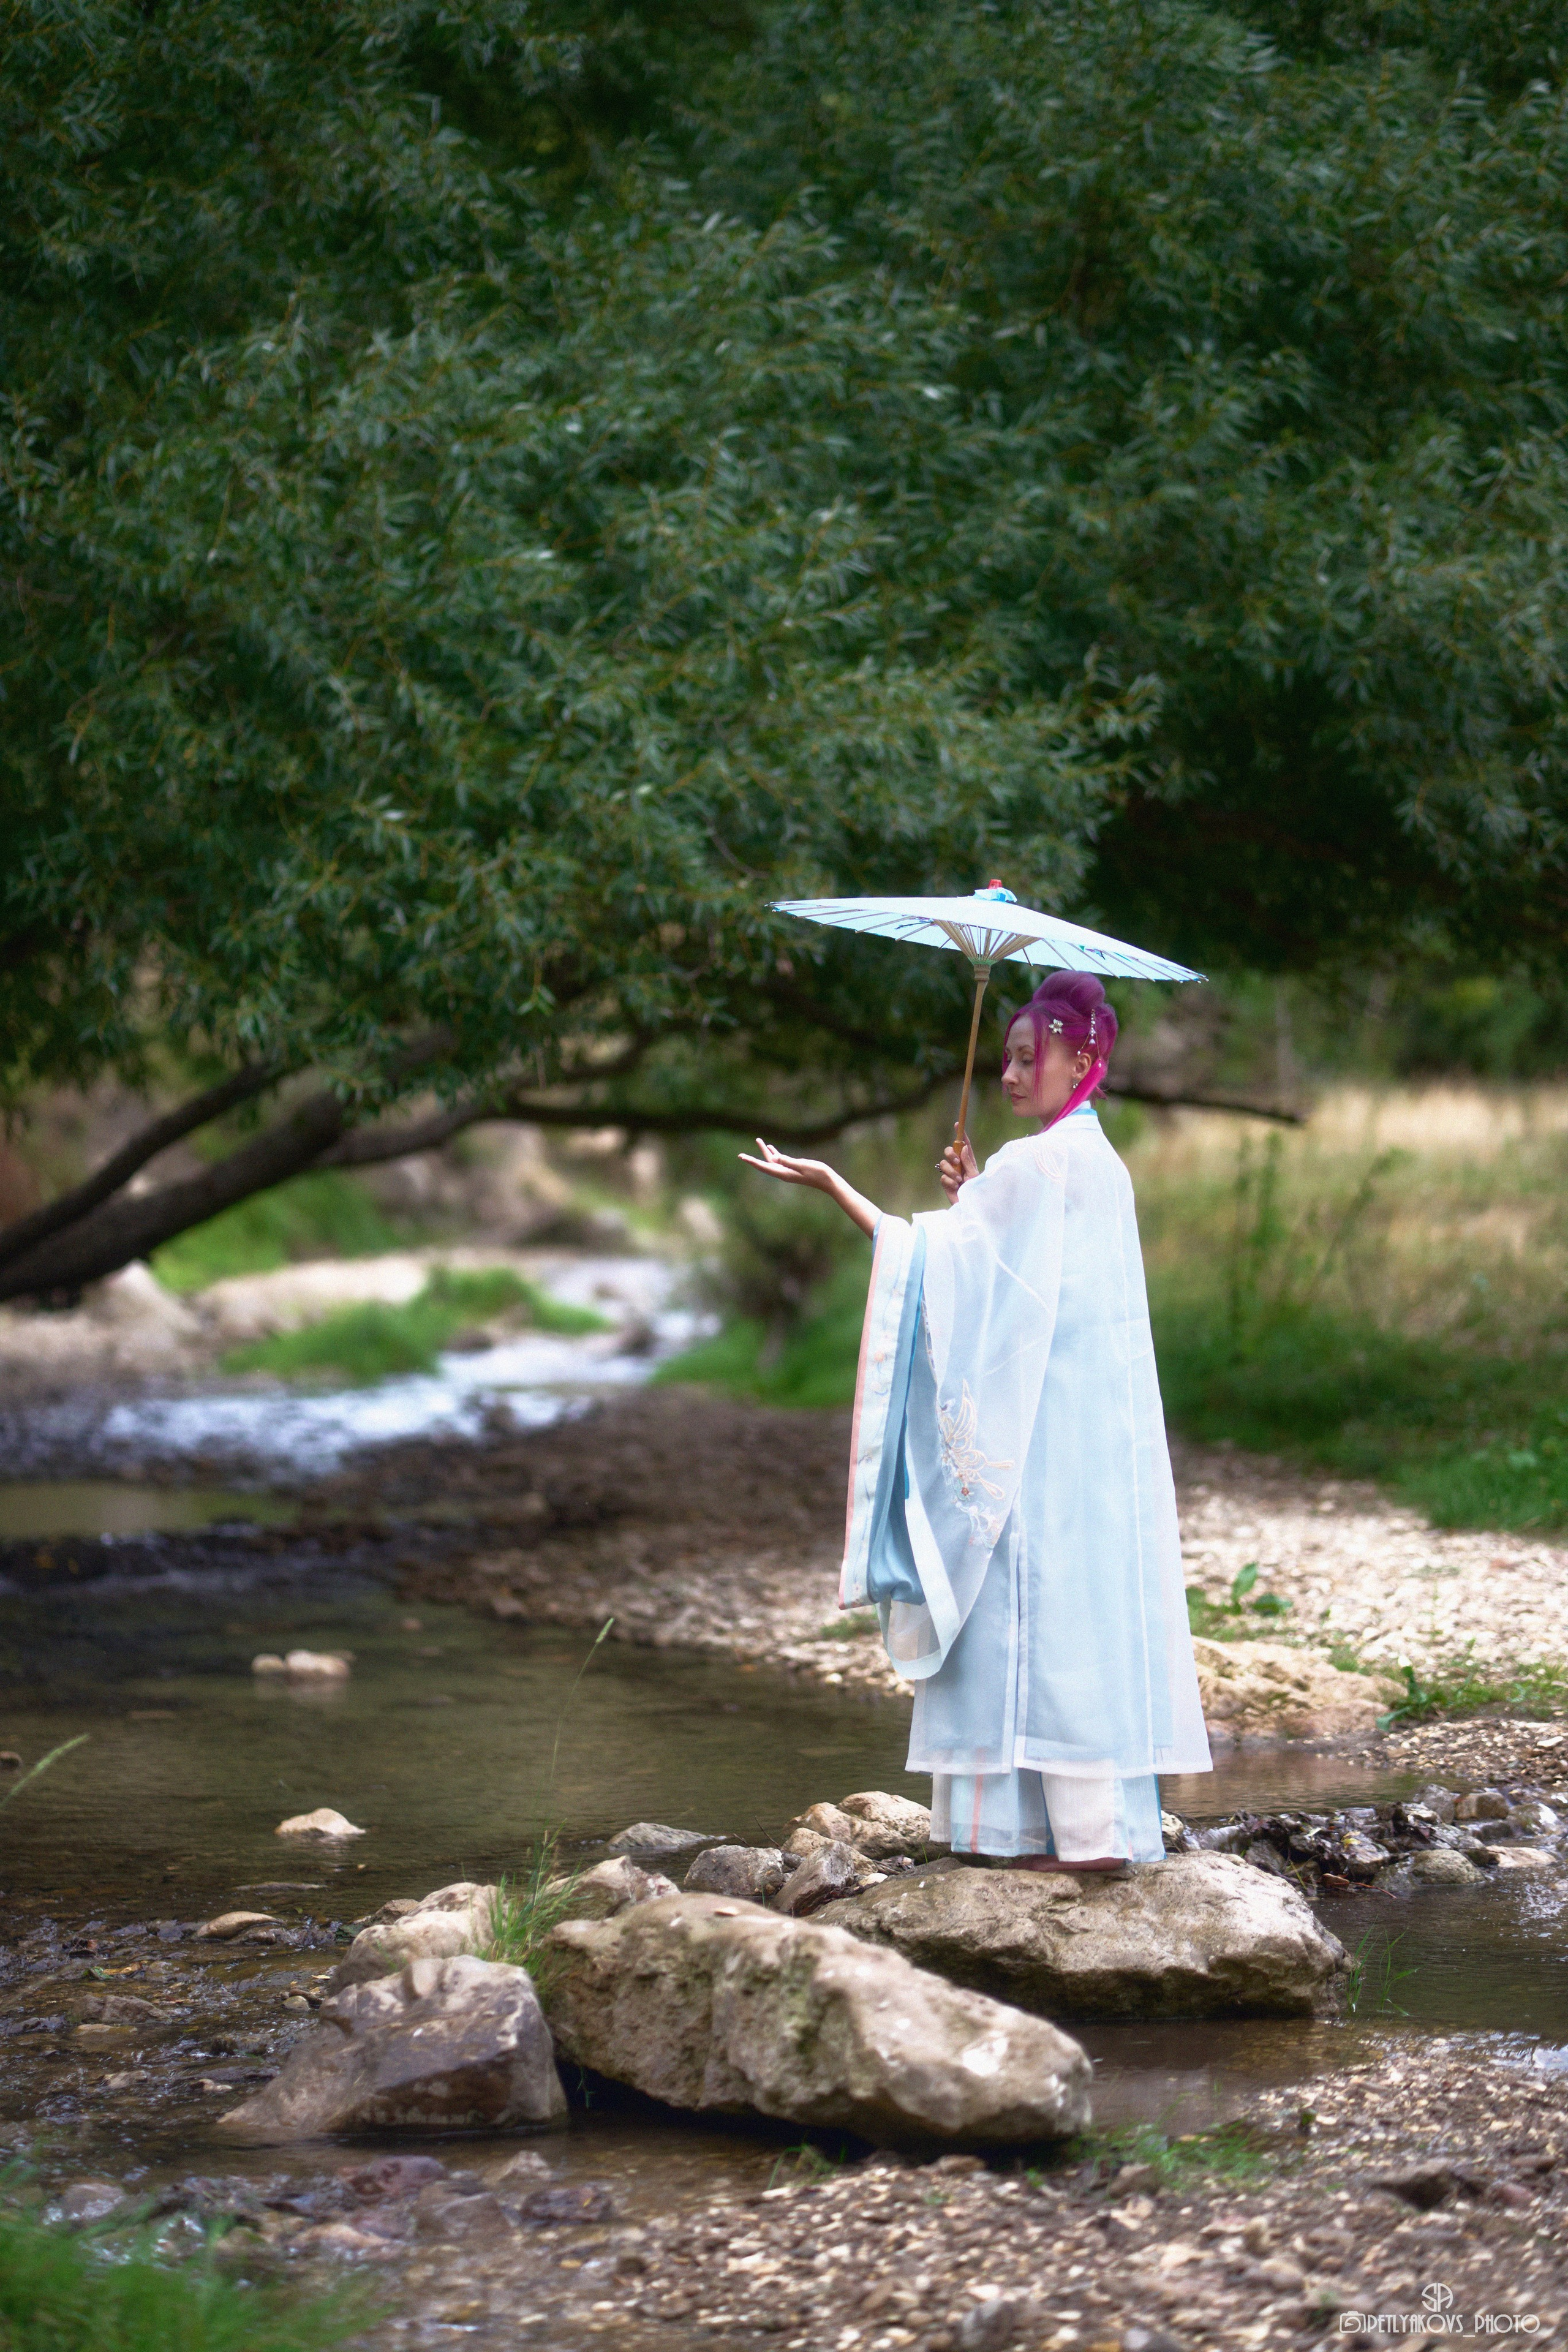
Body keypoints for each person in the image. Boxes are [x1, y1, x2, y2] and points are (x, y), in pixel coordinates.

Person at [739, 968, 1212, 1871]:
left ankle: (1016, 1833)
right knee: (1080, 1609)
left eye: (1030, 1057)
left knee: (1015, 1609)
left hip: (1034, 1436)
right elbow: (1026, 1283)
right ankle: (1096, 1831)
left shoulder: (1035, 1163)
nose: (1010, 1073)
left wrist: (840, 1189)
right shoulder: (1098, 1162)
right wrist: (976, 1203)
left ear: (1081, 1058)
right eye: (1006, 1058)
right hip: (1091, 1438)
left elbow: (943, 1269)